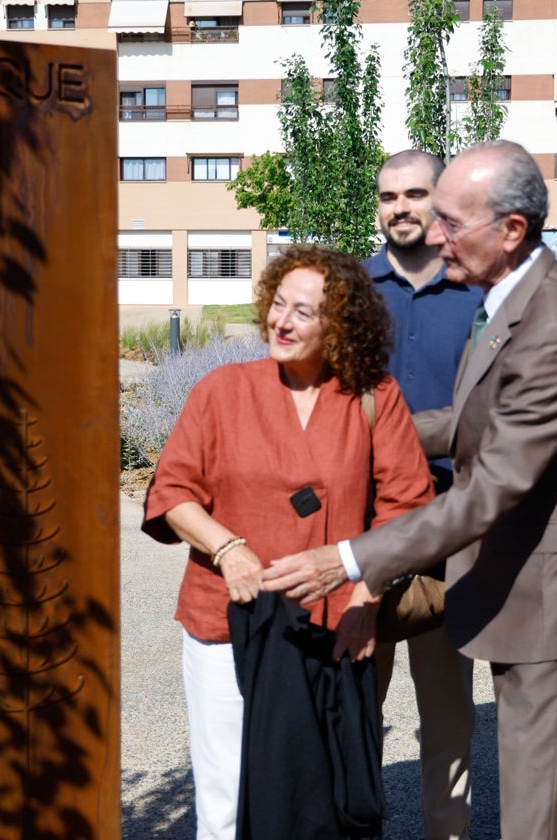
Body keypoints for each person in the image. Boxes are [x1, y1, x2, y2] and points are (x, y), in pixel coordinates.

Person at [263, 140, 557, 840]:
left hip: (536, 595)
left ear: (511, 230)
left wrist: (352, 558)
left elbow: (496, 487)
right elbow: (472, 419)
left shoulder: (547, 321)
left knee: (533, 818)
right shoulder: (514, 300)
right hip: (478, 567)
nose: (434, 232)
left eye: (450, 218)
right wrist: (368, 429)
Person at [141, 244, 433, 840]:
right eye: (278, 305)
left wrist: (365, 600)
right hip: (226, 620)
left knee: (321, 797)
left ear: (340, 324)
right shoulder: (221, 390)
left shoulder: (373, 395)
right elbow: (171, 491)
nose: (283, 321)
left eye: (304, 311)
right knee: (226, 800)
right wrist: (228, 550)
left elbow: (408, 506)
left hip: (331, 628)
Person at [365, 149, 478, 840]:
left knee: (447, 715)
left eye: (415, 193)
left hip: (447, 529)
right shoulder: (349, 290)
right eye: (388, 196)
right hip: (360, 531)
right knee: (354, 708)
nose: (399, 207)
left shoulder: (480, 292)